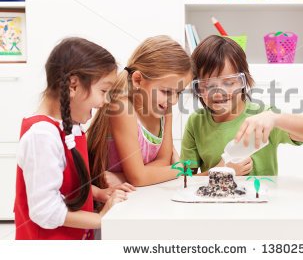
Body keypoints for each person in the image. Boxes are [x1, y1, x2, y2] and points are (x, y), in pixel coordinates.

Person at [15, 37, 132, 240]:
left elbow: (67, 185)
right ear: (73, 85)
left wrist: (98, 193)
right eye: (103, 91)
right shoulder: (42, 136)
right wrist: (100, 218)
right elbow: (45, 211)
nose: (105, 101)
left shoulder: (71, 127)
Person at [180, 35, 303, 176]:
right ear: (198, 88)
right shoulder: (196, 122)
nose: (219, 92)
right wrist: (221, 171)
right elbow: (185, 179)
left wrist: (275, 118)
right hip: (217, 203)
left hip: (262, 202)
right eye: (208, 85)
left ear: (244, 81)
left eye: (229, 82)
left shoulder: (264, 117)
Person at [88, 35, 192, 188]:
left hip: (135, 193)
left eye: (179, 92)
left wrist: (125, 177)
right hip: (107, 199)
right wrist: (181, 169)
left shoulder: (165, 110)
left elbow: (163, 161)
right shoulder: (123, 109)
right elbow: (139, 178)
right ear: (138, 80)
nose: (174, 101)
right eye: (166, 91)